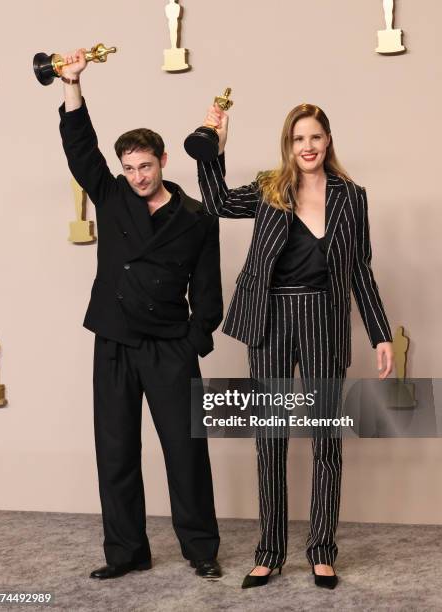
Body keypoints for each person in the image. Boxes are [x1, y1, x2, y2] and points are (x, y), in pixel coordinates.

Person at [195, 101, 394, 589]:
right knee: (271, 439)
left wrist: (381, 333)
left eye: (315, 137)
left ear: (328, 140)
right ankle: (269, 551)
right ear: (288, 145)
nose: (307, 147)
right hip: (271, 321)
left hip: (325, 321)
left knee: (326, 437)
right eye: (297, 139)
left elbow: (360, 270)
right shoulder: (269, 188)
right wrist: (214, 145)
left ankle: (322, 550)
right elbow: (218, 202)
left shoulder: (353, 196)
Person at [56, 49, 223, 580]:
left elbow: (209, 290)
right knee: (116, 453)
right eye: (128, 168)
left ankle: (201, 549)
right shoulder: (111, 195)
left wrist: (193, 341)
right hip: (114, 340)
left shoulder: (197, 218)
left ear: (163, 161)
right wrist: (72, 86)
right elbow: (80, 149)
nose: (136, 177)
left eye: (144, 166)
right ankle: (127, 553)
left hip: (169, 347)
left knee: (185, 451)